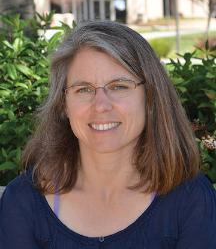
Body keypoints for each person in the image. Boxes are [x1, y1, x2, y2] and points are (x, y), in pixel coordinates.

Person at [0, 20, 216, 249]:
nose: (101, 105)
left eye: (119, 86)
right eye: (83, 89)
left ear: (151, 96)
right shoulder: (23, 201)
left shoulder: (191, 199)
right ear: (63, 104)